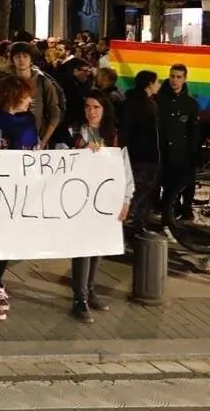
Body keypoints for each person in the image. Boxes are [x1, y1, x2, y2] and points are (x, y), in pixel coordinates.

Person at [0, 76, 40, 321]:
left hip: (19, 185)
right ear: (12, 96)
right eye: (25, 95)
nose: (29, 100)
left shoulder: (29, 119)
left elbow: (32, 145)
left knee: (7, 238)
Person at [68, 91, 131, 322]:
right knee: (83, 248)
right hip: (80, 198)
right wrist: (81, 151)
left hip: (105, 198)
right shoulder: (76, 132)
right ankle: (80, 298)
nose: (91, 111)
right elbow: (61, 159)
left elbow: (125, 169)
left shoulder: (113, 136)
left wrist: (125, 199)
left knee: (98, 247)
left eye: (96, 107)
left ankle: (90, 290)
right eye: (88, 106)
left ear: (104, 110)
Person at [119, 70, 161, 232]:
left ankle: (134, 226)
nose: (158, 85)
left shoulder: (129, 102)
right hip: (144, 156)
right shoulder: (146, 105)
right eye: (156, 82)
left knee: (136, 192)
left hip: (134, 154)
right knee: (139, 193)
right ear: (149, 84)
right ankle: (132, 227)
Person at [158, 64, 200, 221]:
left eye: (178, 77)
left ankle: (185, 209)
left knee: (185, 183)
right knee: (166, 186)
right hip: (163, 151)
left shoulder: (190, 103)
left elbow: (194, 129)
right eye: (172, 76)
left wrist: (192, 150)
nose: (174, 80)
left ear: (184, 79)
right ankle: (167, 214)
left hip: (182, 151)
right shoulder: (159, 99)